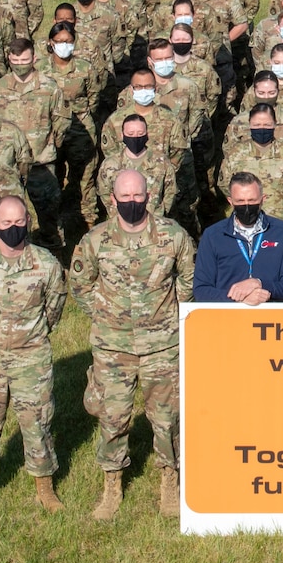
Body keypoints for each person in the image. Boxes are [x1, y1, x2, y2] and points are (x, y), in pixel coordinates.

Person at [72, 168, 193, 519]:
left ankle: (169, 482)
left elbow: (187, 278)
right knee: (113, 417)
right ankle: (112, 486)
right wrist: (106, 313)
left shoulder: (173, 235)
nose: (131, 203)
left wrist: (168, 313)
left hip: (162, 345)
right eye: (124, 198)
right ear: (112, 200)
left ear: (149, 196)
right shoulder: (95, 240)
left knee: (168, 418)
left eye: (137, 196)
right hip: (114, 347)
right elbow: (80, 285)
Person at [0, 196, 68, 521]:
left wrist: (31, 337)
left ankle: (45, 489)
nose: (13, 228)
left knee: (37, 425)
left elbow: (54, 312)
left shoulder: (45, 265)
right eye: (6, 223)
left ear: (28, 222)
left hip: (30, 358)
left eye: (19, 222)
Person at [195, 172, 283, 305]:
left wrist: (259, 284)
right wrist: (239, 299)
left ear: (263, 199)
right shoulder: (213, 236)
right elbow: (201, 290)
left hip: (271, 317)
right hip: (227, 317)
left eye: (252, 201)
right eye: (240, 201)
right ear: (230, 201)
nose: (246, 206)